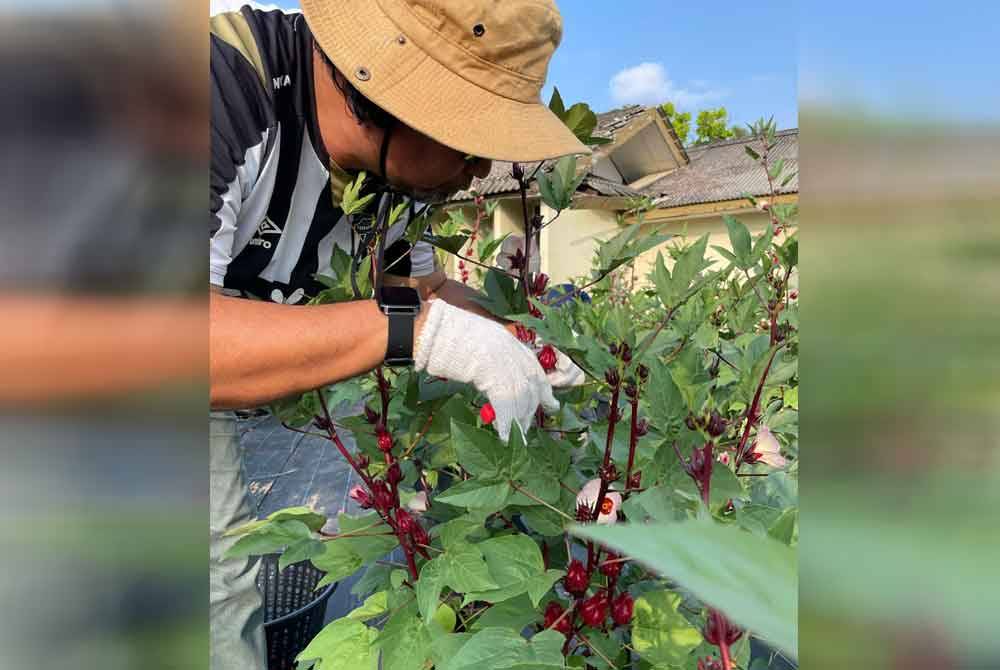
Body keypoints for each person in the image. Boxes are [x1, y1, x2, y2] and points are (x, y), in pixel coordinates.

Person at [208, 1, 588, 667]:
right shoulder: (219, 86)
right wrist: (420, 331)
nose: (477, 172)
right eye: (472, 141)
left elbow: (415, 291)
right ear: (393, 95)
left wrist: (519, 337)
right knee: (210, 591)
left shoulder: (393, 182)